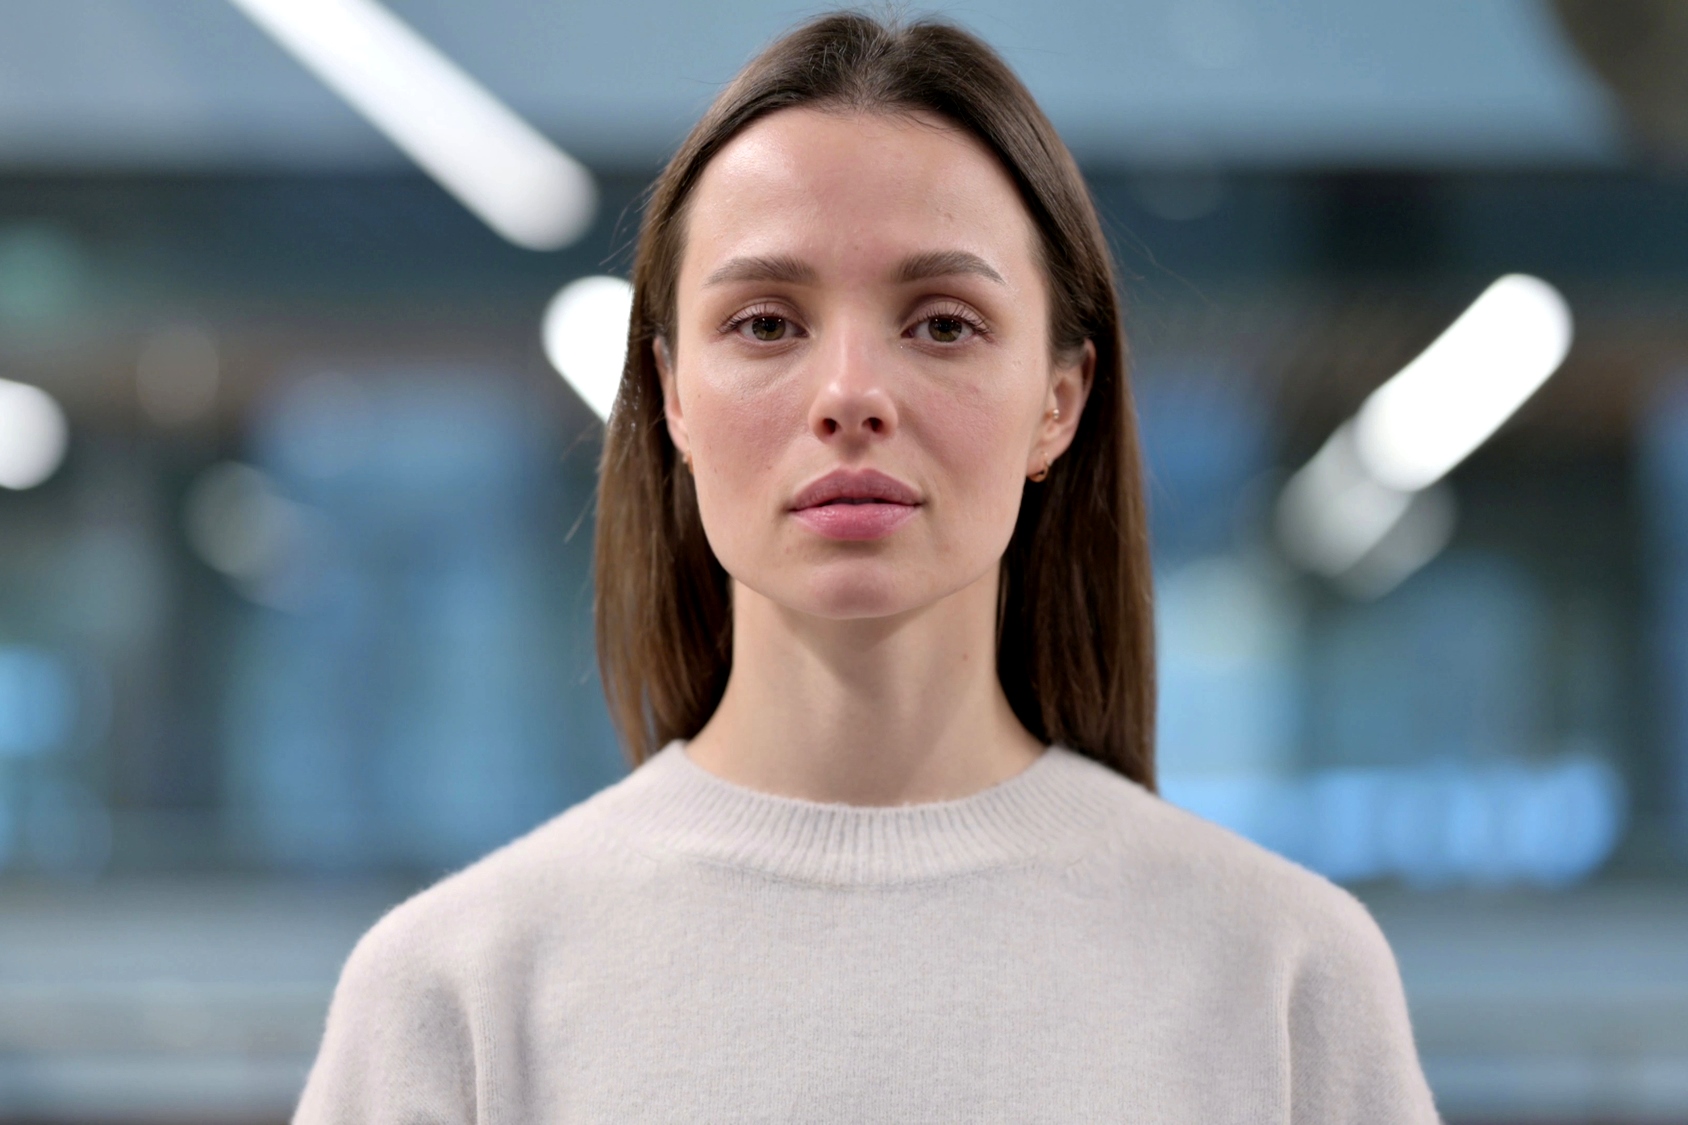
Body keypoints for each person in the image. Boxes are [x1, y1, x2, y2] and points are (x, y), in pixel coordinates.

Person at [294, 12, 1440, 1123]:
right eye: (764, 323)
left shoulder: (1282, 976)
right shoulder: (453, 995)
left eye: (942, 324)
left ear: (1058, 402)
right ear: (673, 396)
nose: (849, 394)